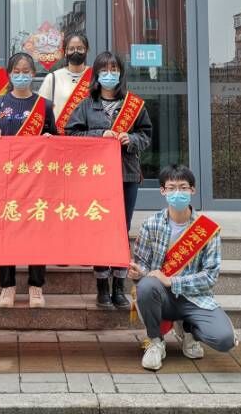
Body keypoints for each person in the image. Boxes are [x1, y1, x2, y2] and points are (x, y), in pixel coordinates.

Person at [65, 51, 152, 311]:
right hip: (97, 177)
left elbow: (146, 135)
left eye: (114, 70)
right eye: (104, 70)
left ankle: (119, 286)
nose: (109, 75)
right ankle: (102, 286)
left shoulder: (133, 105)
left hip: (127, 174)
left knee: (121, 230)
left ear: (121, 73)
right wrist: (99, 134)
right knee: (100, 228)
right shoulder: (86, 105)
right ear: (96, 75)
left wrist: (131, 139)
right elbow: (71, 134)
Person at [129, 165, 237, 370]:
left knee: (225, 340)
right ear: (163, 191)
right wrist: (138, 273)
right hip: (162, 296)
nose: (177, 193)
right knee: (146, 286)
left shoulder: (207, 229)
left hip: (195, 298)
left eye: (183, 187)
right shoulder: (151, 224)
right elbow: (142, 264)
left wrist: (172, 281)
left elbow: (210, 277)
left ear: (192, 190)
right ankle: (155, 342)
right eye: (171, 188)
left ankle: (188, 329)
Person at [0, 52, 57, 309]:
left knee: (36, 231)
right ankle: (7, 286)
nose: (22, 75)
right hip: (6, 180)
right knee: (6, 231)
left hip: (36, 180)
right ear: (9, 74)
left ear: (34, 74)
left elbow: (55, 138)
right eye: (17, 71)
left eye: (26, 71)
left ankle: (36, 285)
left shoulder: (44, 105)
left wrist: (49, 139)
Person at [38, 32, 92, 134]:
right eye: (71, 49)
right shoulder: (53, 78)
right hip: (60, 136)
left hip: (88, 136)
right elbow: (41, 110)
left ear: (87, 50)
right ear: (65, 51)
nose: (75, 52)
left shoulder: (95, 77)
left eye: (80, 48)